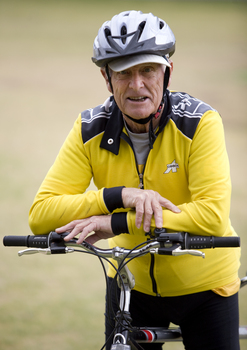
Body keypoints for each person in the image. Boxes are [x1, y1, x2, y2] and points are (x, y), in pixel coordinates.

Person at [29, 10, 241, 350]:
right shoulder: (89, 130)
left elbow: (212, 217)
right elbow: (41, 214)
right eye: (123, 73)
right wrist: (117, 196)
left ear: (167, 73)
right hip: (130, 286)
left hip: (207, 287)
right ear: (106, 78)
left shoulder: (200, 123)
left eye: (147, 70)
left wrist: (116, 223)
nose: (136, 84)